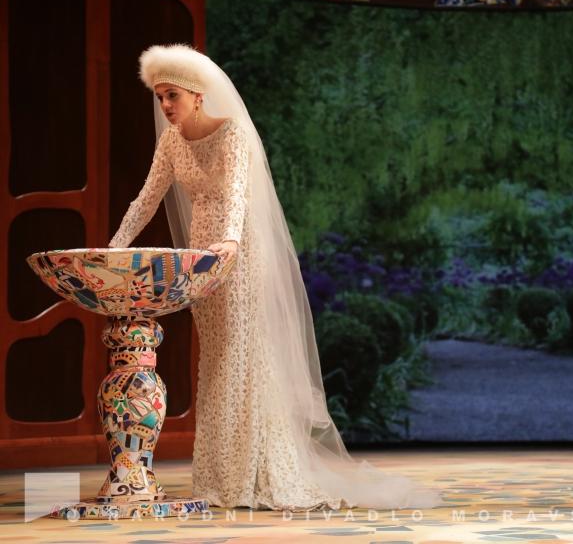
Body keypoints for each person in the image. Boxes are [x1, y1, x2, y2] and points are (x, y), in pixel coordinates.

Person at [109, 43, 440, 511]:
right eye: (160, 96)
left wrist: (229, 241)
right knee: (217, 359)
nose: (165, 105)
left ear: (198, 96)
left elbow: (237, 194)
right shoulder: (171, 141)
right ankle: (222, 477)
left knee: (243, 357)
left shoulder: (232, 134)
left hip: (239, 251)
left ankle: (255, 471)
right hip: (203, 257)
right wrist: (115, 247)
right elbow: (147, 197)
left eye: (172, 96)